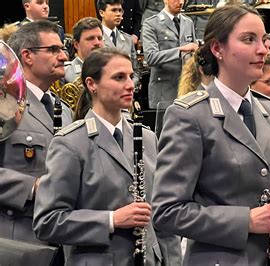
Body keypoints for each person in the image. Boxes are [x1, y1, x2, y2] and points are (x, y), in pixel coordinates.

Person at [152, 5, 270, 265]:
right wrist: (245, 221)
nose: (262, 49)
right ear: (217, 49)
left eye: (264, 40)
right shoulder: (189, 115)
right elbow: (167, 211)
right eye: (249, 39)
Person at [32, 47, 181, 265]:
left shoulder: (147, 138)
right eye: (119, 78)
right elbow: (47, 222)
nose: (130, 84)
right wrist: (111, 220)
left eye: (131, 76)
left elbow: (162, 217)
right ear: (92, 84)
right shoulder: (70, 142)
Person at [1, 20, 72, 245]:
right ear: (27, 56)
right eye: (53, 50)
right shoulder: (6, 105)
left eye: (62, 49)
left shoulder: (66, 111)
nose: (64, 57)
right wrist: (33, 187)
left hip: (62, 237)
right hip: (19, 238)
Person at [142, 0, 197, 108]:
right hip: (164, 92)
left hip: (186, 89)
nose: (181, 2)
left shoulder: (188, 22)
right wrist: (180, 50)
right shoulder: (151, 24)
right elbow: (151, 57)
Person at [64, 17, 104, 83]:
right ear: (77, 45)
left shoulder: (112, 69)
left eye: (100, 38)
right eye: (90, 38)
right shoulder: (65, 73)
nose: (97, 43)